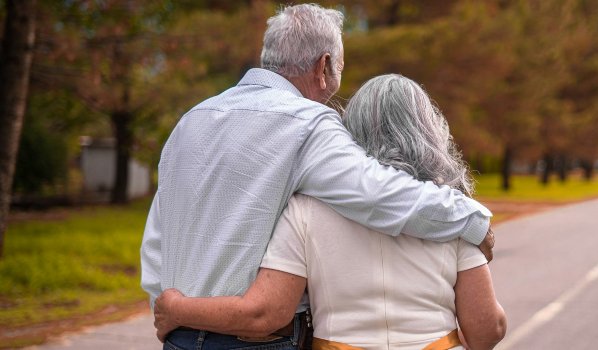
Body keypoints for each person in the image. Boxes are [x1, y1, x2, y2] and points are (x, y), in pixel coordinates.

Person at [140, 4, 494, 349]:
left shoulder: (191, 120)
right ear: (324, 65)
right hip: (260, 340)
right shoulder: (308, 124)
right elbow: (380, 194)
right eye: (340, 67)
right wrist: (471, 217)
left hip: (180, 333)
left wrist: (168, 309)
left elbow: (158, 234)